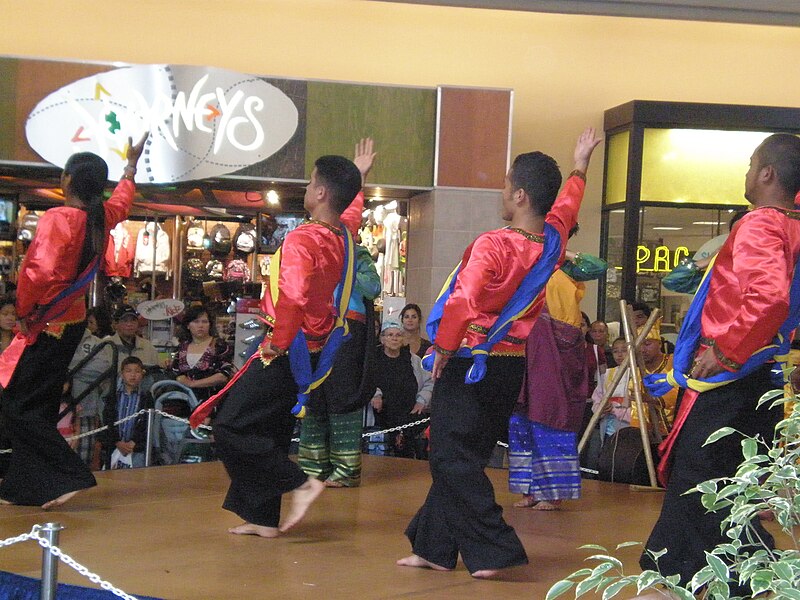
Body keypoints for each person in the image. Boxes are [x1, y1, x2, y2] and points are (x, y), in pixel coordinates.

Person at [398, 128, 601, 579]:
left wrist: (444, 349)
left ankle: (494, 549)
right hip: (512, 366)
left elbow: (463, 302)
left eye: (507, 185)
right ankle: (434, 547)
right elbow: (567, 205)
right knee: (462, 456)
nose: (502, 192)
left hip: (472, 361)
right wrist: (580, 165)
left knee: (450, 456)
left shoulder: (496, 243)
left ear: (522, 195)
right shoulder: (552, 241)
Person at [636, 134, 800, 599]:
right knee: (727, 488)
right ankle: (731, 582)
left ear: (767, 173)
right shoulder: (794, 227)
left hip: (733, 376)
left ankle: (669, 582)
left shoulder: (761, 225)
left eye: (751, 164)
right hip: (763, 377)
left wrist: (727, 351)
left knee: (700, 479)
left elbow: (768, 299)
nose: (746, 173)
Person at [189, 139, 375, 538]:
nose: (306, 188)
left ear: (322, 192)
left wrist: (276, 343)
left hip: (287, 347)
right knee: (267, 429)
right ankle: (261, 517)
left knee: (231, 426)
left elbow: (292, 296)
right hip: (314, 350)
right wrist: (358, 177)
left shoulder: (304, 238)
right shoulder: (341, 234)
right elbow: (352, 212)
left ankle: (300, 482)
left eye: (311, 183)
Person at [0, 134, 147, 508]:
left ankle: (69, 474)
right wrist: (130, 168)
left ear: (67, 180)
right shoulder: (98, 217)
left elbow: (38, 272)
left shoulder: (59, 218)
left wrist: (22, 313)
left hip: (46, 324)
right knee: (39, 405)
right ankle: (26, 486)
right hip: (71, 321)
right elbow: (122, 202)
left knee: (17, 405)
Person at [509, 246, 606, 511]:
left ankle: (552, 492)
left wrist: (565, 253)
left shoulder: (566, 265)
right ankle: (531, 489)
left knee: (549, 414)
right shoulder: (524, 260)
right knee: (523, 416)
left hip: (558, 346)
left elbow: (599, 267)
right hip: (524, 342)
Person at [298, 188, 381, 488]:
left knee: (342, 399)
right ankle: (311, 468)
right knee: (313, 397)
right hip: (313, 330)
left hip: (347, 332)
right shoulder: (310, 248)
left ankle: (345, 470)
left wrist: (343, 271)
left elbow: (373, 287)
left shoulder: (358, 253)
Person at [370, 319, 433, 458]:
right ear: (382, 338)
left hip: (409, 416)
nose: (394, 338)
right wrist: (376, 395)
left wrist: (422, 400)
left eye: (398, 335)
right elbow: (367, 381)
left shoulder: (413, 360)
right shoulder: (373, 358)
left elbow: (430, 381)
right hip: (381, 417)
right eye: (390, 335)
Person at [169, 305, 233, 402]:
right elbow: (176, 372)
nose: (200, 325)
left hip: (212, 401)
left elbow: (224, 375)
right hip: (184, 402)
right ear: (188, 325)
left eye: (204, 322)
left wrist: (193, 383)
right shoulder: (182, 348)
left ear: (210, 325)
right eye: (196, 321)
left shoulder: (220, 346)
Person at [101, 356, 154, 469]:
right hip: (115, 446)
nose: (133, 375)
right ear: (122, 374)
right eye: (128, 371)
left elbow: (147, 422)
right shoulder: (113, 396)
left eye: (137, 371)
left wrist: (134, 442)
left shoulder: (146, 397)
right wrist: (117, 442)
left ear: (142, 374)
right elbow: (107, 419)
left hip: (136, 448)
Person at [106, 304, 159, 371]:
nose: (129, 324)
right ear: (116, 324)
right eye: (125, 321)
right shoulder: (106, 346)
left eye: (133, 320)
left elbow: (156, 372)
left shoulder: (148, 347)